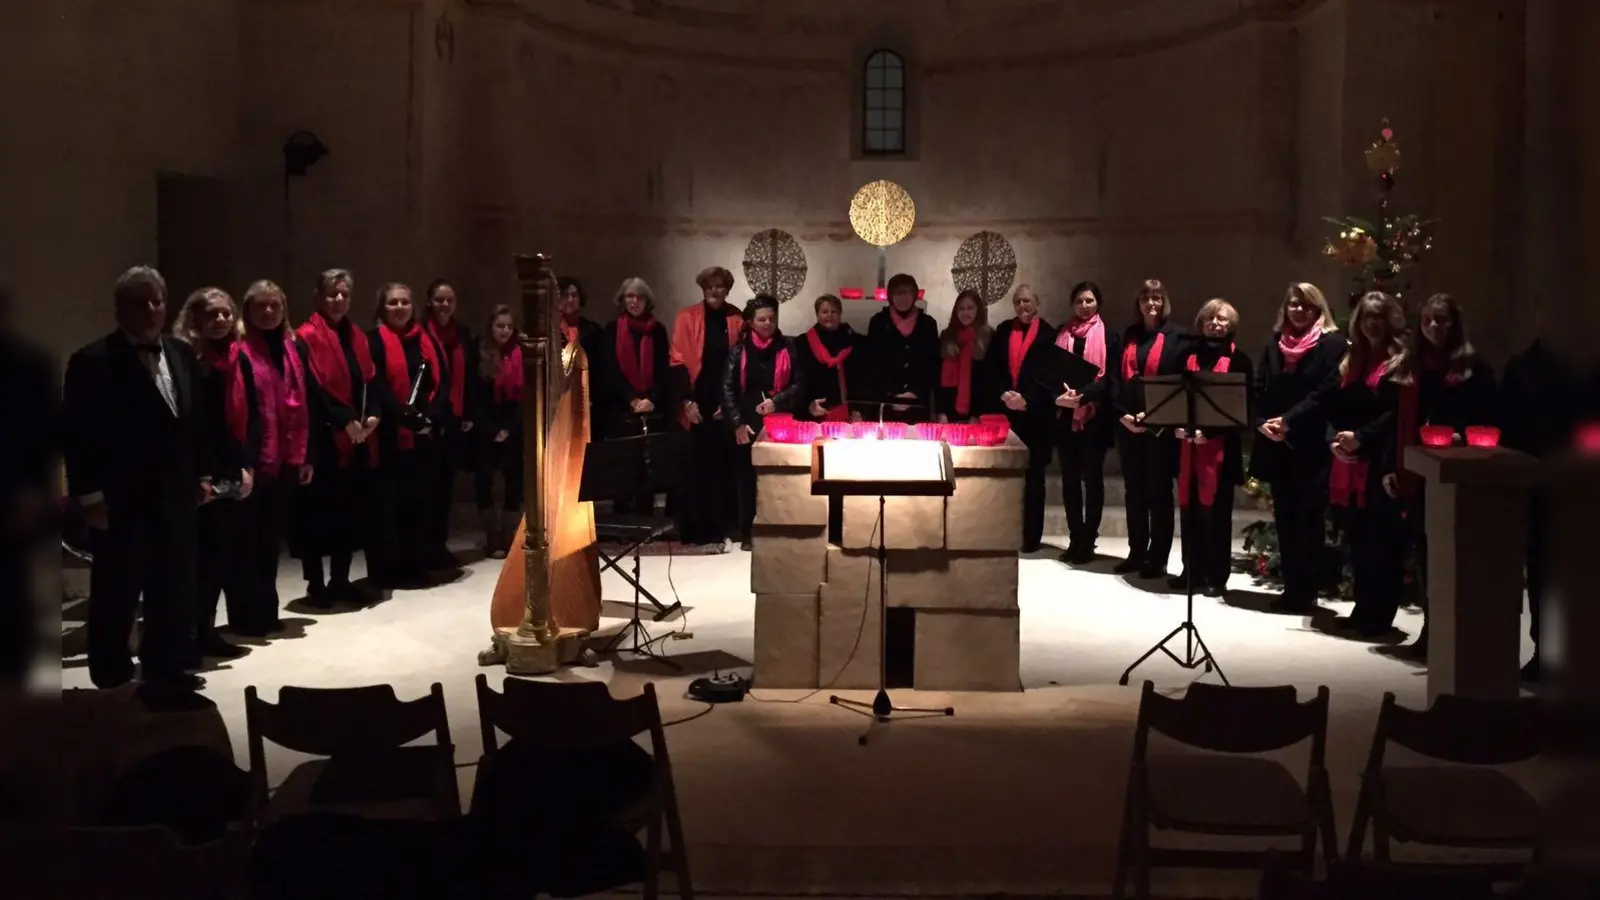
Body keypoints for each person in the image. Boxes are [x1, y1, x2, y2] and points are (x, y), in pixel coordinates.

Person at [63, 266, 209, 694]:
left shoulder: (181, 354)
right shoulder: (92, 361)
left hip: (176, 496)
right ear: (119, 309)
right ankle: (111, 679)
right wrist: (90, 497)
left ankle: (165, 670)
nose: (151, 310)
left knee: (173, 586)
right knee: (117, 593)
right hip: (122, 500)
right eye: (140, 302)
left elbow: (193, 423)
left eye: (157, 301)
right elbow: (79, 435)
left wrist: (200, 475)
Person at [1385, 293, 1498, 661]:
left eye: (1442, 321)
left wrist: (1461, 437)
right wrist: (1392, 465)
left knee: (1456, 559)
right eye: (1428, 320)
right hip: (1419, 474)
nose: (1434, 327)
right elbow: (1397, 423)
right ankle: (1432, 630)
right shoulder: (1412, 365)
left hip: (1458, 476)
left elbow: (1492, 419)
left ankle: (1457, 635)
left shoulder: (1474, 369)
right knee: (1425, 555)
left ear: (1455, 324)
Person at [1249, 283, 1347, 614]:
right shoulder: (1275, 344)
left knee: (1309, 521)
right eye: (1293, 305)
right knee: (1287, 520)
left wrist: (1289, 420)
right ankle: (1292, 589)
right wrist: (1262, 421)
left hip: (1310, 444)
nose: (1299, 310)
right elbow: (1259, 387)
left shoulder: (1331, 344)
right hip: (1277, 443)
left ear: (1319, 309)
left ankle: (1307, 593)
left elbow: (1326, 390)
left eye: (1306, 305)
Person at [293, 269, 381, 608]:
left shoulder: (357, 336)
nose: (339, 300)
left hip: (356, 437)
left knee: (349, 512)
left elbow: (369, 380)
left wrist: (373, 414)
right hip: (322, 437)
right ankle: (316, 584)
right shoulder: (305, 336)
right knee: (316, 515)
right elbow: (311, 390)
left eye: (344, 294)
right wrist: (344, 420)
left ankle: (341, 580)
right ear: (318, 296)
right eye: (332, 294)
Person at [172, 287, 251, 663]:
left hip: (228, 467)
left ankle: (206, 629)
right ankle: (186, 636)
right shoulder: (186, 360)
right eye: (211, 314)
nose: (220, 320)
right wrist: (199, 474)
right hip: (198, 471)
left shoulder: (236, 358)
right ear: (196, 320)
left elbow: (245, 419)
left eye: (225, 313)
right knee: (195, 560)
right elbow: (192, 425)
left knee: (219, 556)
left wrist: (245, 465)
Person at [1326, 291, 1409, 637]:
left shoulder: (1401, 359)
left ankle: (1380, 616)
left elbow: (1395, 415)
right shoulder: (1351, 358)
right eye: (1367, 316)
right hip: (1350, 457)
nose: (1372, 322)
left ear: (1390, 319)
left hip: (1380, 459)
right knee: (1358, 538)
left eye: (1379, 316)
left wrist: (1360, 436)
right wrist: (1336, 438)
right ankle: (1362, 608)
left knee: (1382, 541)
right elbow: (1331, 403)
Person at [231, 280, 312, 635]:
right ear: (247, 312)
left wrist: (304, 457)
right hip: (254, 459)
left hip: (285, 458)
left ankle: (266, 612)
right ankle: (246, 618)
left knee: (269, 543)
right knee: (246, 545)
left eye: (274, 306)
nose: (268, 312)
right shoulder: (241, 351)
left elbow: (300, 407)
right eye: (260, 306)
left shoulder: (292, 348)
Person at [368, 282, 452, 588]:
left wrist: (429, 417)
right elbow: (375, 385)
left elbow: (443, 383)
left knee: (419, 505)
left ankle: (415, 565)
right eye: (392, 303)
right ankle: (389, 570)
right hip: (391, 437)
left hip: (423, 436)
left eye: (404, 302)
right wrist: (404, 417)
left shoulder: (426, 340)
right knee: (389, 507)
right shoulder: (374, 341)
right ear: (382, 308)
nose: (399, 308)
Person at [1171, 299, 1253, 597]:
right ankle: (1190, 570)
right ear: (1201, 323)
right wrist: (1176, 426)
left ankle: (1217, 576)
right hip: (1187, 446)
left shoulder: (1240, 360)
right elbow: (1174, 397)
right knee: (1189, 512)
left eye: (1222, 319)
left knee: (1217, 517)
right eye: (1210, 319)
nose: (1216, 324)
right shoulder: (1186, 355)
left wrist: (1212, 431)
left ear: (1231, 326)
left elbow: (1242, 410)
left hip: (1220, 449)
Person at [1112, 279, 1188, 579]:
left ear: (1164, 301)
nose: (1151, 303)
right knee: (1134, 492)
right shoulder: (1128, 335)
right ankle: (1136, 552)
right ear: (1139, 303)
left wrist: (1155, 415)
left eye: (1157, 297)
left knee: (1158, 493)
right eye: (1146, 297)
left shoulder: (1177, 337)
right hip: (1128, 426)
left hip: (1160, 429)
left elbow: (1178, 383)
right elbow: (1117, 380)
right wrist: (1124, 415)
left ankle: (1158, 558)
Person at [722, 294, 806, 550]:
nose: (768, 323)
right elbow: (726, 388)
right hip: (747, 420)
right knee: (746, 480)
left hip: (779, 420)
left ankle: (776, 527)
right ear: (750, 321)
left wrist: (777, 402)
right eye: (762, 319)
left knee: (777, 477)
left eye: (772, 318)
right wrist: (737, 422)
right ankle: (748, 531)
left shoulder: (788, 347)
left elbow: (800, 384)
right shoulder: (739, 349)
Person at [668, 266, 743, 548]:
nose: (715, 291)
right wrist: (687, 402)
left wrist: (728, 404)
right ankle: (696, 528)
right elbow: (676, 361)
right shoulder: (686, 317)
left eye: (720, 286)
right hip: (695, 401)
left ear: (727, 289)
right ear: (702, 289)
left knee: (722, 467)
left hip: (723, 401)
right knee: (695, 467)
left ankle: (722, 526)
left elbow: (739, 365)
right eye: (710, 286)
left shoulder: (736, 318)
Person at [1051, 281, 1120, 563]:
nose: (1084, 305)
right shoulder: (1061, 333)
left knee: (1092, 480)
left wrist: (1082, 395)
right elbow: (1052, 370)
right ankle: (1074, 536)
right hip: (1066, 417)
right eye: (1079, 300)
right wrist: (1061, 394)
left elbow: (1109, 378)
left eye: (1089, 300)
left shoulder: (1109, 337)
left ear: (1098, 304)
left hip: (1094, 417)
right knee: (1069, 480)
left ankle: (1089, 539)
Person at [987, 285, 1058, 553]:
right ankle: (1008, 532)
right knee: (1008, 478)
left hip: (1036, 416)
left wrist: (1027, 398)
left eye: (1027, 301)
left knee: (1034, 480)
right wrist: (1004, 394)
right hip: (1008, 414)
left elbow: (1050, 376)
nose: (1022, 306)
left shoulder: (1049, 334)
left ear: (1037, 304)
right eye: (1018, 302)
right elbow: (992, 368)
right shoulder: (1004, 330)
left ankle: (1031, 538)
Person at [593, 278, 671, 513]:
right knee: (623, 468)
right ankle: (624, 524)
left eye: (639, 297)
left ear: (647, 301)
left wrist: (652, 398)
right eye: (630, 296)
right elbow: (608, 370)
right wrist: (631, 398)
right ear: (622, 300)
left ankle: (646, 521)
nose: (634, 301)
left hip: (651, 409)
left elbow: (663, 369)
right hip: (621, 409)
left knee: (647, 467)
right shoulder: (611, 330)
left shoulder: (657, 331)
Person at [422, 279, 478, 569]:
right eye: (439, 299)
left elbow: (468, 378)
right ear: (429, 302)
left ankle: (439, 544)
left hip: (455, 421)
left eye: (449, 300)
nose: (444, 305)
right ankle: (424, 547)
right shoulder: (421, 333)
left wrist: (467, 412)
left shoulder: (463, 333)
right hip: (432, 422)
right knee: (427, 489)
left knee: (446, 488)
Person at [473, 306, 524, 559]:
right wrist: (492, 430)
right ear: (490, 327)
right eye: (499, 326)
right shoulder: (479, 351)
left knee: (514, 481)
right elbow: (474, 396)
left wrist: (508, 429)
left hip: (513, 428)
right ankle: (492, 536)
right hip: (484, 428)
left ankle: (509, 532)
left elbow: (523, 399)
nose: (504, 331)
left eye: (508, 326)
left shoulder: (521, 353)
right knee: (484, 481)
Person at [865, 273, 940, 423]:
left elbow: (933, 364)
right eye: (898, 293)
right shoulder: (878, 322)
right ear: (891, 296)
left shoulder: (927, 324)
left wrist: (914, 393)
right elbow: (872, 363)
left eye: (908, 292)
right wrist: (892, 394)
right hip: (886, 402)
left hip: (918, 403)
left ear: (914, 295)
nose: (903, 297)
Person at [795, 294, 864, 423]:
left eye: (834, 311)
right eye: (825, 312)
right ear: (817, 315)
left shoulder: (855, 342)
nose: (829, 315)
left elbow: (862, 379)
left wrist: (859, 408)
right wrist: (808, 406)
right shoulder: (803, 343)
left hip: (849, 413)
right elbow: (799, 381)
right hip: (815, 411)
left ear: (840, 314)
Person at [936, 289, 996, 423]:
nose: (965, 312)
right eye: (961, 308)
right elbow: (938, 377)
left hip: (978, 414)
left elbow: (989, 381)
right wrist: (941, 411)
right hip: (949, 414)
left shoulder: (988, 336)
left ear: (978, 310)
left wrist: (977, 414)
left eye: (970, 308)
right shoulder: (947, 336)